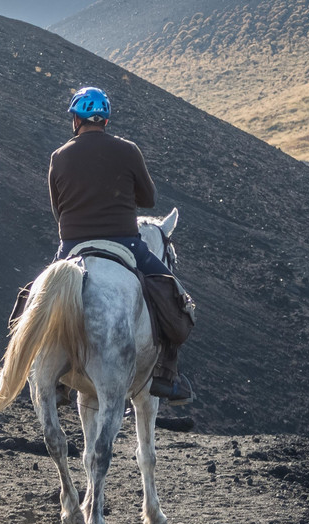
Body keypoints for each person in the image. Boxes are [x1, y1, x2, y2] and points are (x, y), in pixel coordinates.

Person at [39, 86, 194, 404]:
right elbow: (149, 199)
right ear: (105, 121)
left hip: (72, 248)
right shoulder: (128, 151)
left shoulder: (58, 157)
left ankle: (42, 370)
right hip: (126, 243)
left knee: (33, 299)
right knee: (174, 296)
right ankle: (167, 375)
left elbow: (58, 211)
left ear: (75, 120)